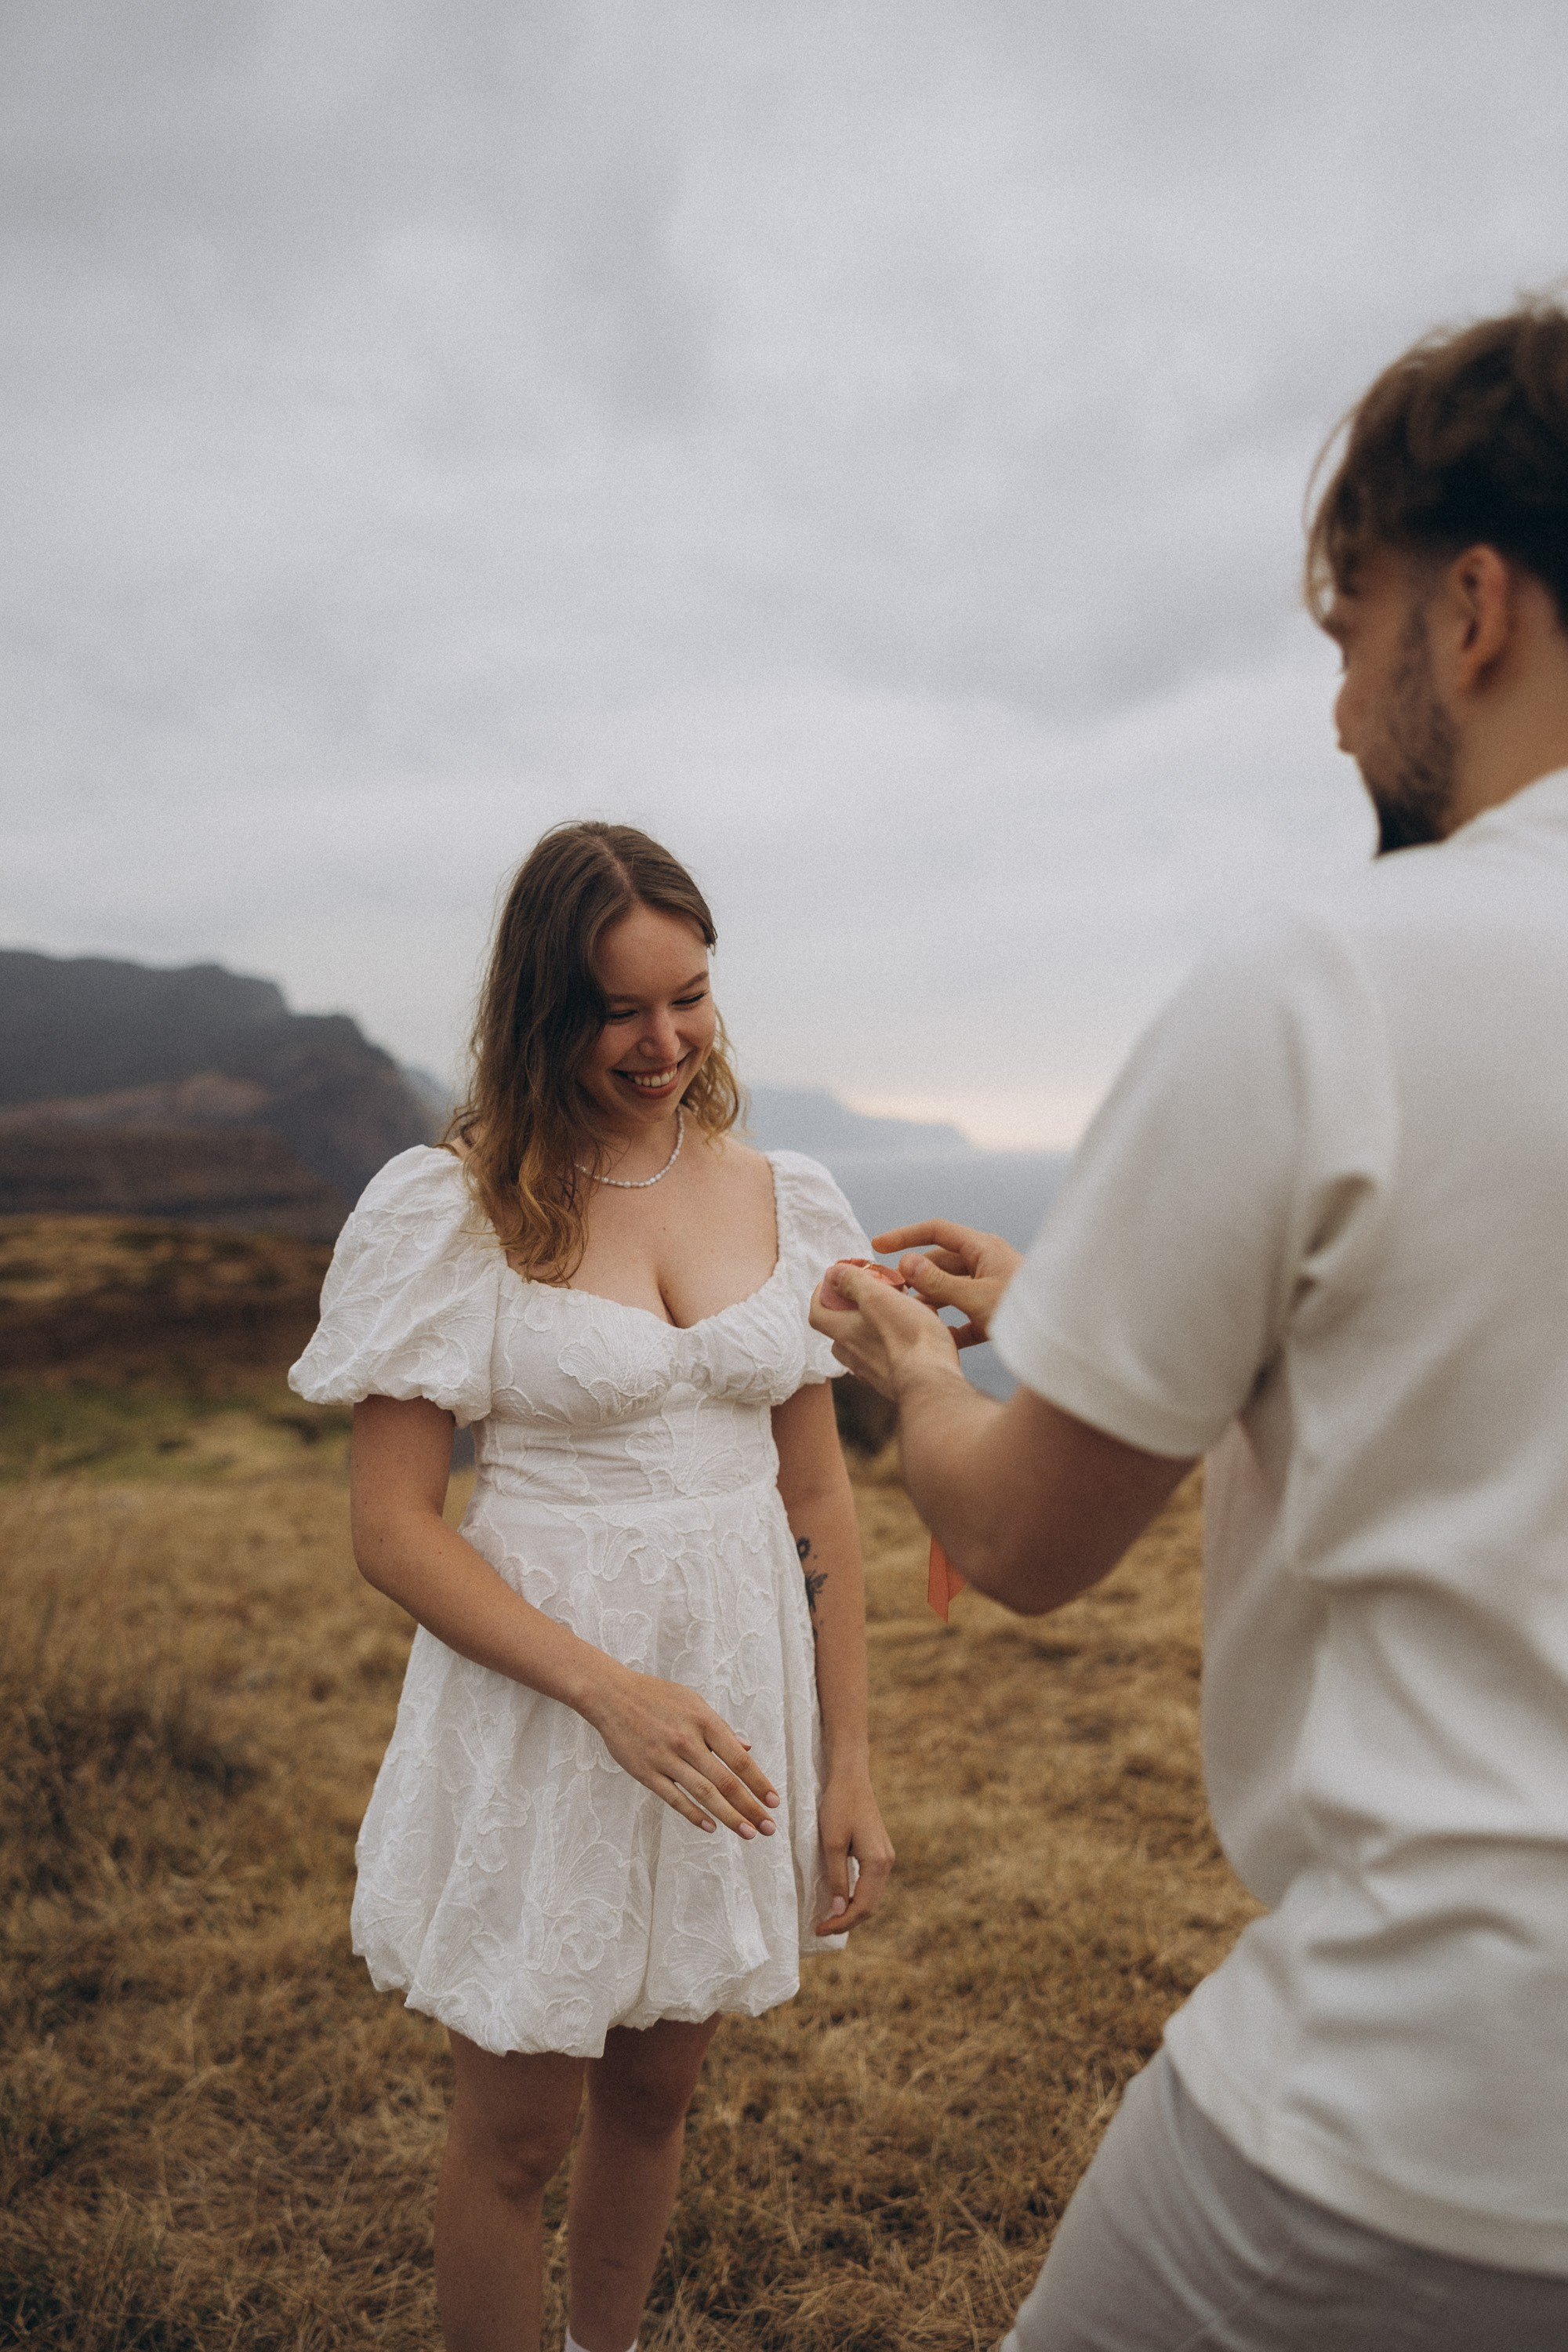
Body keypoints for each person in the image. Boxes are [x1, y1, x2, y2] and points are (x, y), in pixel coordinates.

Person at [813, 300, 1568, 2348]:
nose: (1340, 718)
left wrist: (917, 1381)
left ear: (1475, 608)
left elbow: (1036, 1544)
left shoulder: (1329, 979)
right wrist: (1080, 1302)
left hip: (1418, 2104)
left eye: (1352, 640)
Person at [290, 822, 893, 2352]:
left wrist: (851, 1764)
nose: (665, 1040)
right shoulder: (453, 1209)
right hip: (555, 1705)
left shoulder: (788, 1193)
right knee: (513, 2133)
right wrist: (604, 1691)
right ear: (542, 1011)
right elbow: (396, 1525)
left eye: (687, 996)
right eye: (620, 1009)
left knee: (658, 2089)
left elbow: (815, 1490)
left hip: (734, 1709)